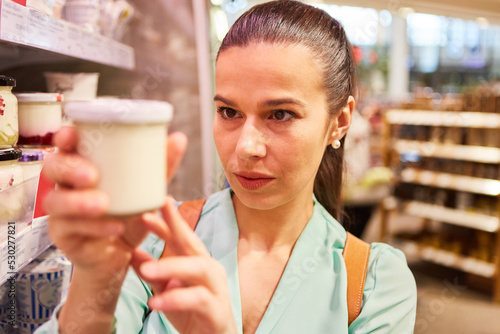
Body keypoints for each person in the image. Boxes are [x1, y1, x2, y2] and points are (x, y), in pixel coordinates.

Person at [36, 1, 416, 333]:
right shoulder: (153, 241)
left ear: (340, 121)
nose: (246, 147)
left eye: (280, 114)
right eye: (229, 112)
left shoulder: (373, 284)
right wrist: (93, 281)